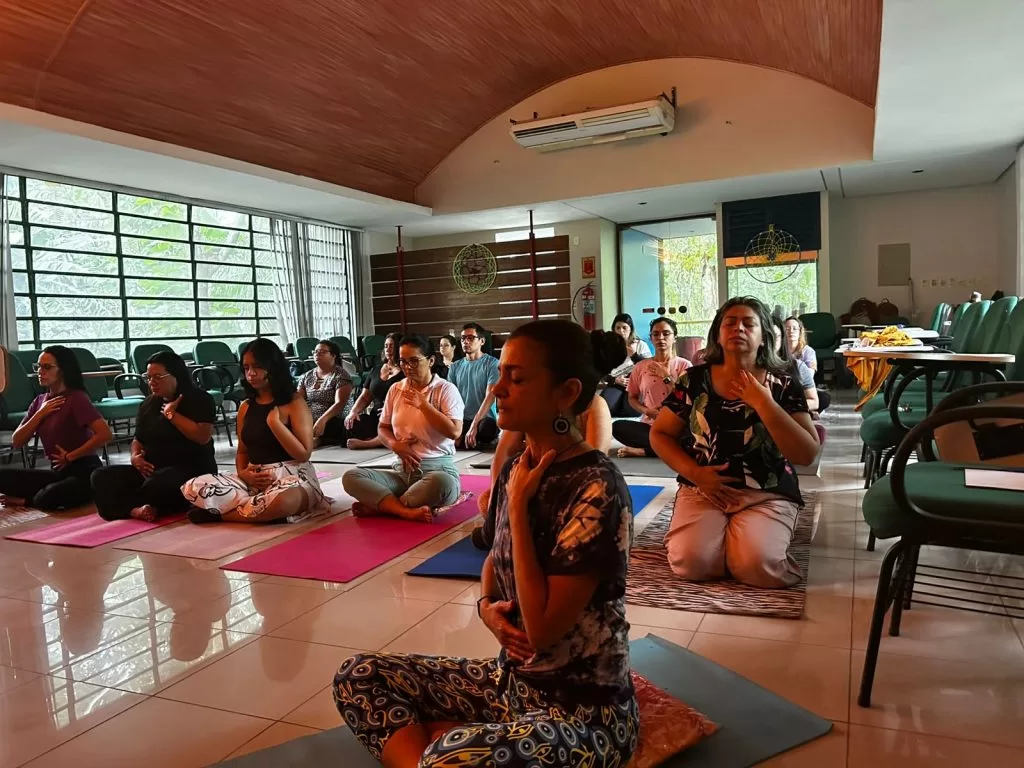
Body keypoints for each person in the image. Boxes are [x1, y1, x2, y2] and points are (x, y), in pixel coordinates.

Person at [334, 320, 638, 767]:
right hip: (509, 685)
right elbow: (496, 559)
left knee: (448, 757)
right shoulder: (518, 467)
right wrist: (485, 607)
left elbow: (542, 632)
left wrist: (517, 508)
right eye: (501, 375)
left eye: (517, 379)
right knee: (360, 676)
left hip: (582, 712)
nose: (497, 389)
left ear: (567, 392)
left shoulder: (597, 486)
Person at [649, 297, 819, 588]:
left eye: (748, 323)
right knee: (692, 563)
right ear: (718, 334)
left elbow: (806, 454)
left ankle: (747, 542)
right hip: (704, 489)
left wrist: (764, 403)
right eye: (730, 322)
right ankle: (726, 542)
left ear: (764, 338)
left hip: (767, 491)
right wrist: (697, 474)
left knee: (758, 567)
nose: (738, 328)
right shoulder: (693, 380)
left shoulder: (783, 382)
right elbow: (659, 434)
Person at [182, 338, 327, 524]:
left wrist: (275, 424)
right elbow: (242, 451)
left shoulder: (294, 403)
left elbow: (303, 454)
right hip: (253, 480)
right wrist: (243, 474)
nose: (251, 373)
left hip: (292, 478)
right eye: (246, 368)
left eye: (257, 367)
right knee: (194, 486)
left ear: (273, 367)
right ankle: (259, 510)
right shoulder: (246, 406)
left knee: (285, 501)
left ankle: (225, 514)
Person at [471, 390, 616, 550]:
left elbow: (594, 466)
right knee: (486, 499)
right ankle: (503, 529)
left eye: (518, 380)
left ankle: (507, 532)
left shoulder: (595, 405)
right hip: (535, 485)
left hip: (573, 491)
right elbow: (503, 453)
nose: (497, 389)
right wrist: (496, 503)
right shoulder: (531, 404)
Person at [342, 336, 464, 522]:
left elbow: (454, 432)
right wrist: (395, 445)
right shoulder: (396, 389)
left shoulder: (445, 389)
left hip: (437, 470)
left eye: (414, 361)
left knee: (443, 483)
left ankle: (384, 507)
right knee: (351, 477)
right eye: (403, 361)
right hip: (401, 473)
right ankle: (404, 509)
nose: (407, 367)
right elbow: (383, 428)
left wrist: (423, 405)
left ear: (431, 361)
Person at [91, 351, 217, 522]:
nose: (152, 382)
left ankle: (129, 506)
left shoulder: (200, 399)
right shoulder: (149, 403)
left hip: (190, 470)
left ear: (176, 375)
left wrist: (172, 415)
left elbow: (202, 437)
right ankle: (137, 509)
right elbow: (138, 439)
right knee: (100, 476)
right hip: (152, 469)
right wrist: (135, 457)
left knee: (157, 485)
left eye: (158, 377)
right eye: (148, 377)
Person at [0, 346, 112, 512]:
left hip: (83, 470)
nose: (40, 372)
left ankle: (27, 500)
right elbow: (17, 441)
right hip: (57, 472)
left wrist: (70, 456)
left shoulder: (76, 398)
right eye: (38, 367)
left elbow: (105, 434)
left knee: (51, 494)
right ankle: (40, 495)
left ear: (63, 370)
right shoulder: (39, 402)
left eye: (47, 367)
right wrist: (40, 413)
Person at [613, 316, 691, 458]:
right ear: (651, 338)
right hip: (651, 426)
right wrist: (647, 411)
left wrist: (666, 377)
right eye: (656, 334)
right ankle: (667, 447)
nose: (661, 338)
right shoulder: (640, 367)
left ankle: (645, 451)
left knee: (694, 436)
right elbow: (632, 397)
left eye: (666, 334)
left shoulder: (684, 365)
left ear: (674, 338)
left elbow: (687, 398)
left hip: (678, 425)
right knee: (617, 427)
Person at [345, 332, 403, 450]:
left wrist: (391, 411)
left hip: (396, 417)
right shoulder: (376, 370)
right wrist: (353, 412)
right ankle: (380, 439)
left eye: (392, 346)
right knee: (350, 424)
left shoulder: (406, 371)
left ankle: (370, 443)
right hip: (376, 416)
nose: (388, 349)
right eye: (386, 346)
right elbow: (365, 397)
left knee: (402, 426)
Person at [448, 322, 500, 448]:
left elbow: (490, 396)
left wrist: (474, 425)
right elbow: (450, 399)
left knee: (486, 429)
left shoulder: (492, 364)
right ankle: (467, 439)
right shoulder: (455, 367)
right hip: (462, 420)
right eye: (463, 338)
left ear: (482, 341)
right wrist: (456, 427)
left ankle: (470, 439)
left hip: (483, 420)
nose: (465, 342)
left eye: (470, 338)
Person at [298, 340, 354, 445]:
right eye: (315, 352)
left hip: (332, 418)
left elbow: (339, 404)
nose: (317, 354)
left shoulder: (341, 375)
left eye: (322, 352)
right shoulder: (307, 376)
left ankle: (318, 439)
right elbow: (298, 400)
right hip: (310, 418)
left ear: (333, 356)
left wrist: (322, 420)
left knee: (334, 425)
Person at [600, 313, 650, 417]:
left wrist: (634, 355)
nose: (621, 331)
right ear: (614, 330)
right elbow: (601, 372)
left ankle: (623, 403)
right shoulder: (608, 347)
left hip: (635, 384)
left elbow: (649, 367)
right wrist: (615, 380)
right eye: (618, 328)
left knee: (633, 411)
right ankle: (619, 402)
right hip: (616, 383)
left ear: (630, 329)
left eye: (624, 328)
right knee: (605, 408)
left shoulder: (640, 344)